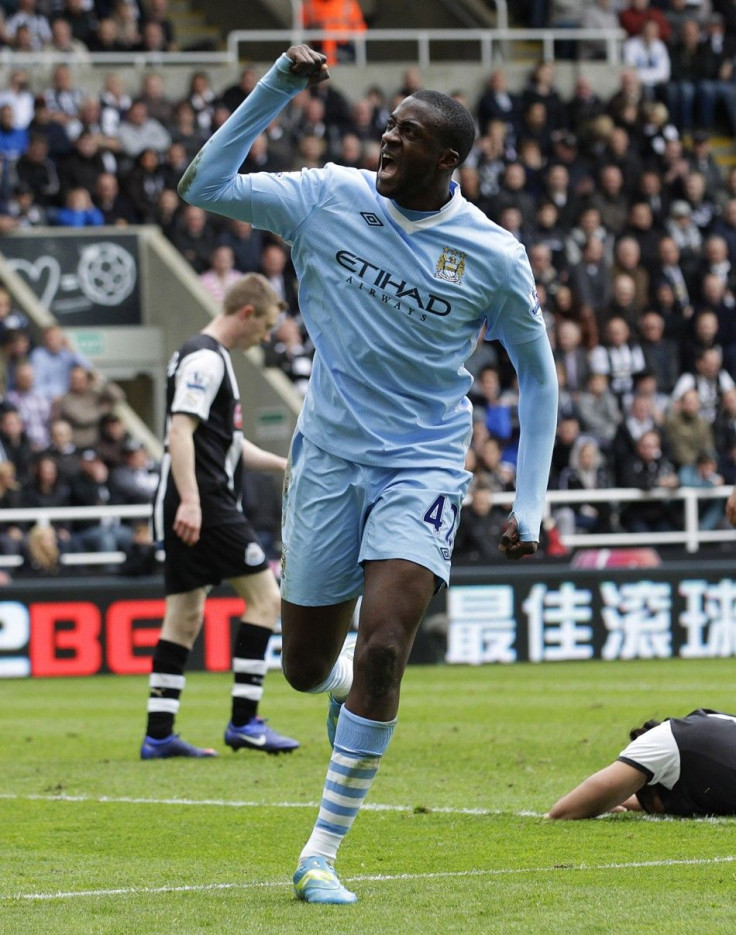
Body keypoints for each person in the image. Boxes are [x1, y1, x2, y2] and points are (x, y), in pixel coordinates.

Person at [178, 45, 558, 905]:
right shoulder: (327, 197)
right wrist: (278, 83)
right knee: (307, 669)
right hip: (328, 461)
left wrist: (530, 501)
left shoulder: (493, 254)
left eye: (408, 134)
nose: (387, 140)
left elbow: (538, 374)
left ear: (448, 161)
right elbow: (202, 185)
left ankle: (320, 852)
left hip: (422, 461)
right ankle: (338, 680)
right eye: (388, 126)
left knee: (389, 642)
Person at [143, 272, 299, 761]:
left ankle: (159, 734)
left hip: (193, 497)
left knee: (184, 617)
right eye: (267, 325)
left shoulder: (207, 357)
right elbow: (179, 432)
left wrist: (281, 465)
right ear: (247, 313)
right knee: (266, 600)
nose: (266, 336)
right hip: (205, 501)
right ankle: (244, 722)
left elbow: (224, 443)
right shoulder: (207, 358)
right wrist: (191, 500)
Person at [548, 709, 736, 818]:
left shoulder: (657, 743)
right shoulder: (712, 724)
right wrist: (606, 802)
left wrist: (596, 801)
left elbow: (563, 812)